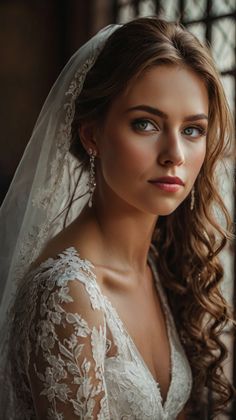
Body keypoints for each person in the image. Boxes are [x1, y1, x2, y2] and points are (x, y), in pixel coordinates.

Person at [0, 16, 235, 420]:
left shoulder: (157, 265)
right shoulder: (66, 294)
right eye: (146, 124)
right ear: (92, 135)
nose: (175, 154)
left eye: (193, 130)